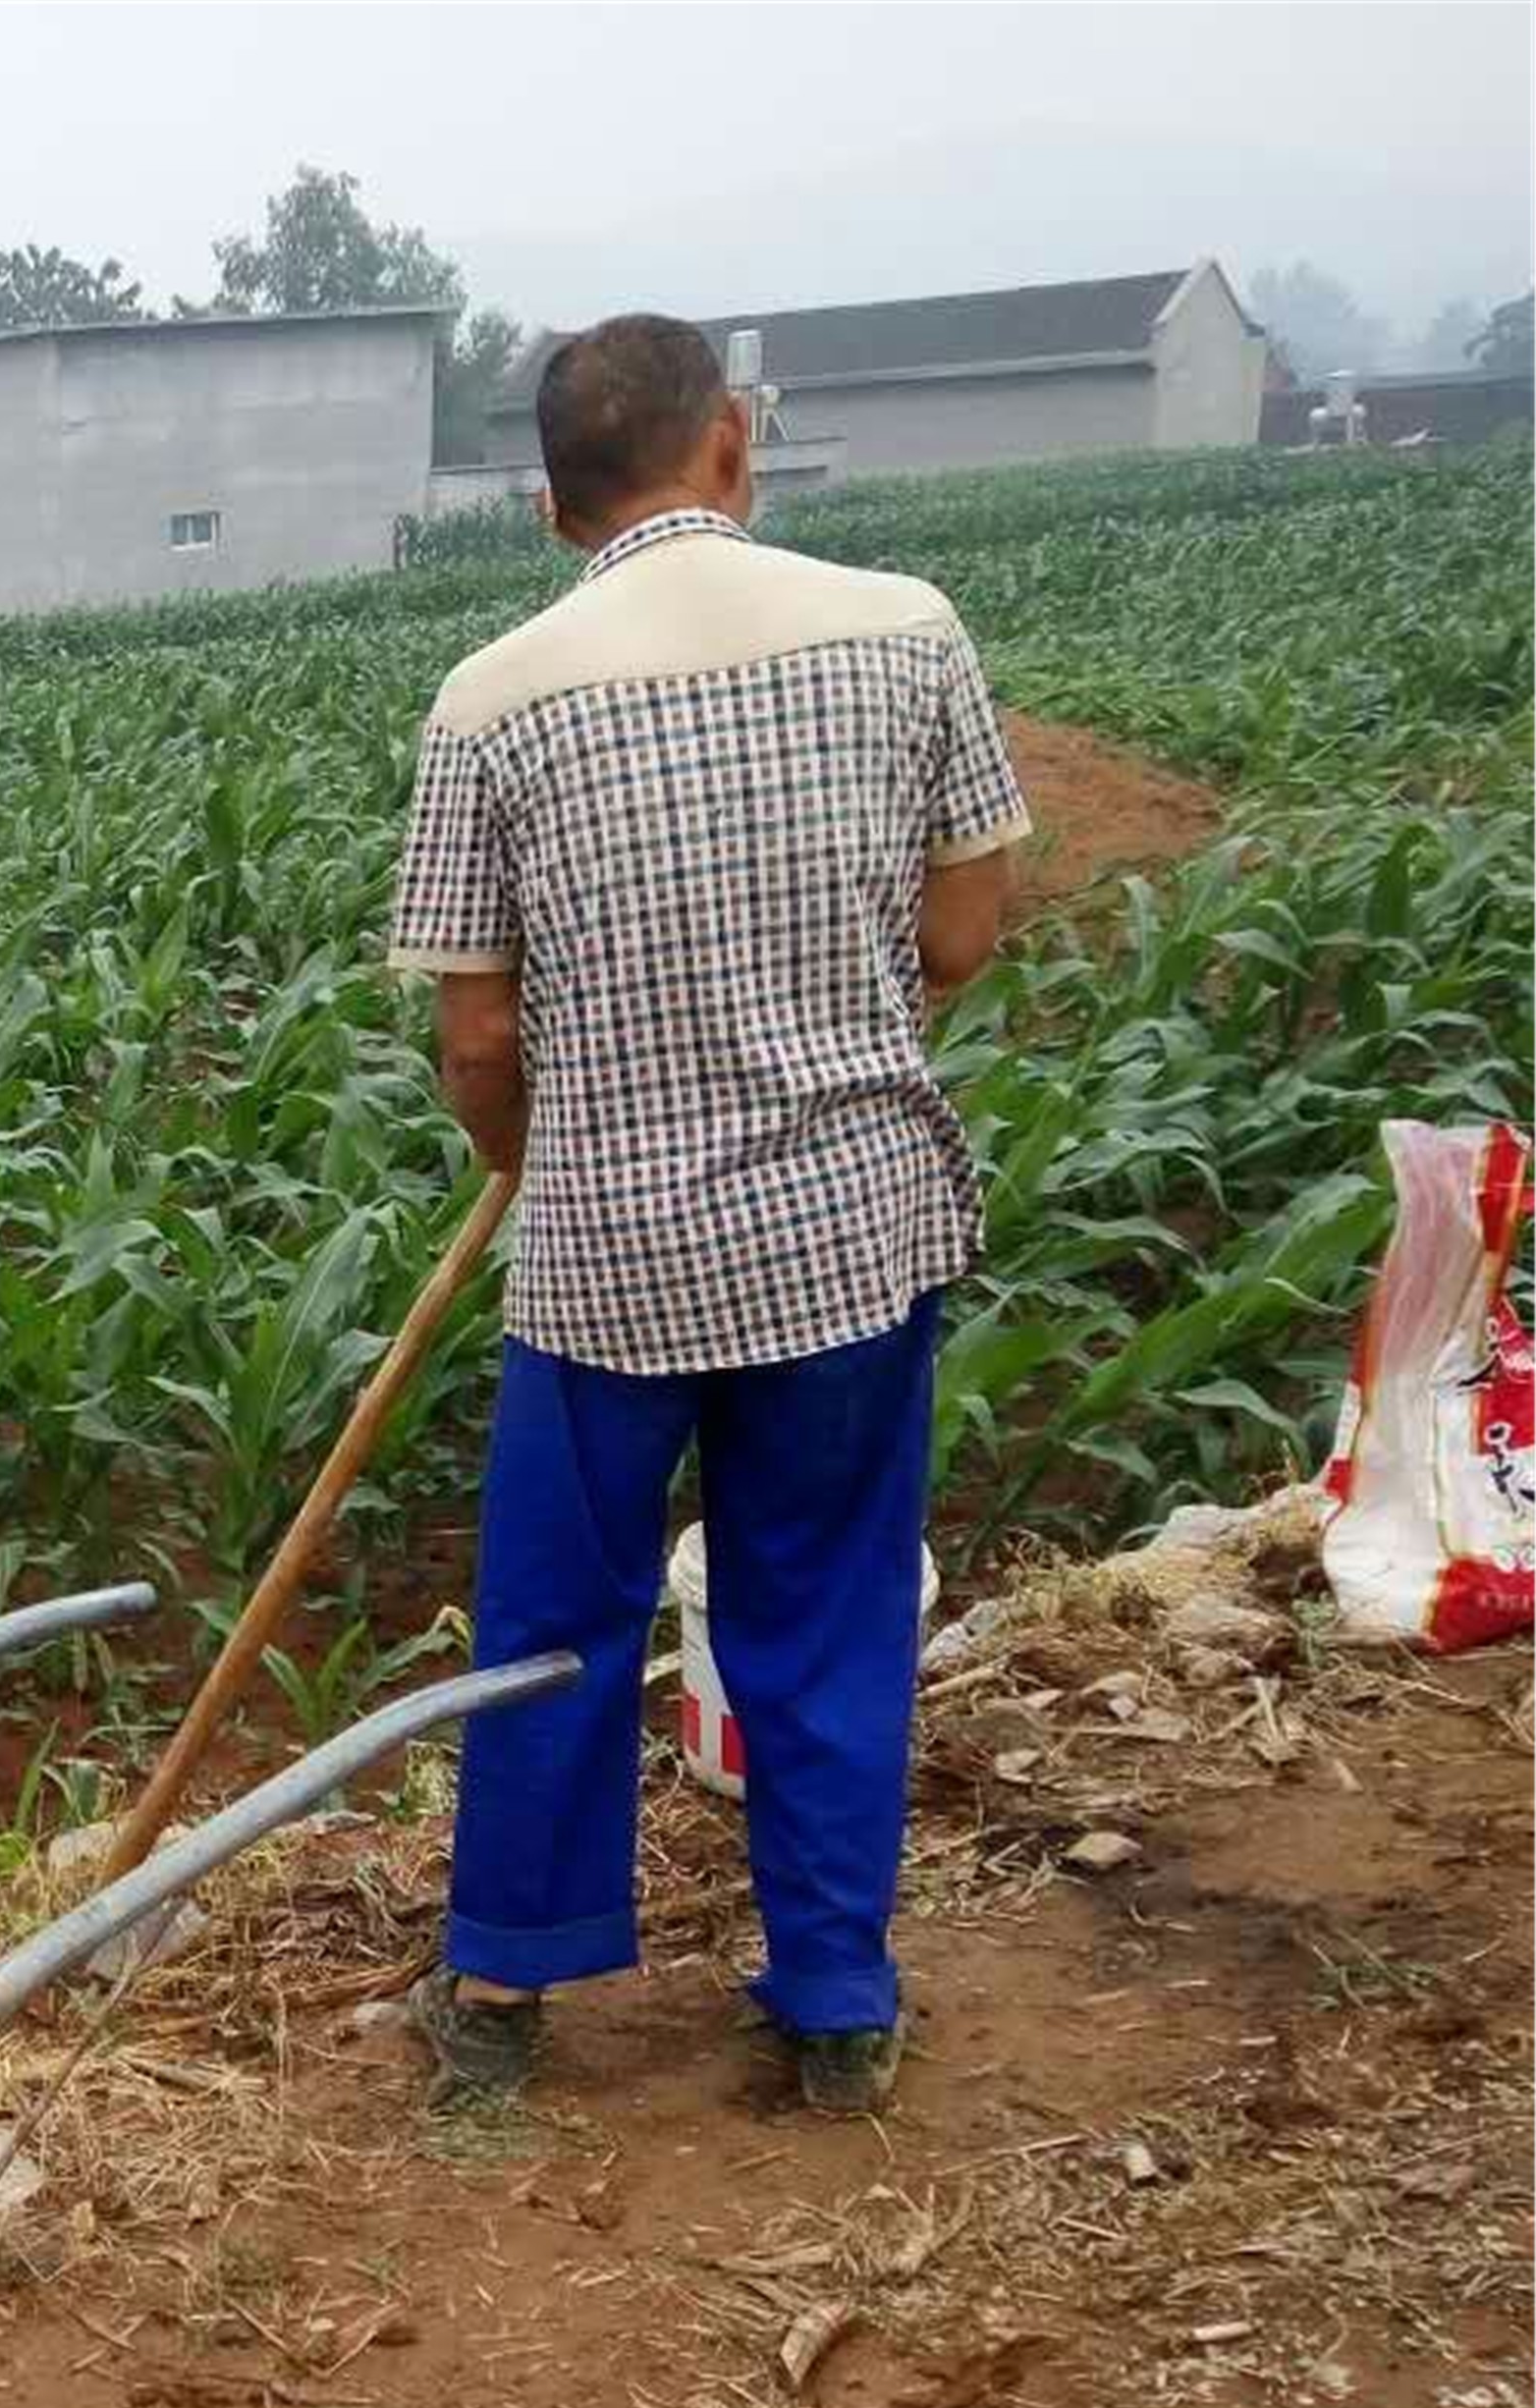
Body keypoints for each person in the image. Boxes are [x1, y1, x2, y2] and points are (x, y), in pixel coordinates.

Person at [385, 313, 1028, 2114]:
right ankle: (834, 2005)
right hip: (850, 1233)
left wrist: (545, 1156)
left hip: (605, 1263)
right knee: (821, 1613)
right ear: (733, 448)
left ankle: (503, 2000)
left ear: (547, 508)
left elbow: (477, 1036)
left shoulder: (494, 698)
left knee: (553, 1632)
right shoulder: (909, 631)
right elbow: (967, 931)